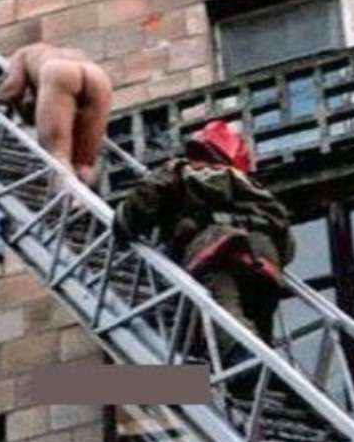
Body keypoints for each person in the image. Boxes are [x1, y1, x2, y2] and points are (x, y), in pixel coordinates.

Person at [112, 119, 295, 388]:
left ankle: (246, 361)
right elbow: (287, 244)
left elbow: (141, 205)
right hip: (265, 260)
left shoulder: (182, 172)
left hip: (219, 248)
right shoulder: (254, 188)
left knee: (222, 308)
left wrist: (122, 223)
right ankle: (270, 376)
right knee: (256, 318)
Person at [0, 42, 113, 186]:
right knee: (82, 164)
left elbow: (12, 90)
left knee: (58, 155)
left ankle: (67, 197)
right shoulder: (67, 51)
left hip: (58, 72)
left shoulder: (21, 53)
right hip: (98, 76)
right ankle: (92, 196)